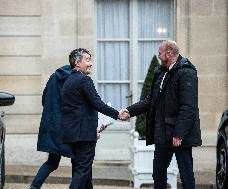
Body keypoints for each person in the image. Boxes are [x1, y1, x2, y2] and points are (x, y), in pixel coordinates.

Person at [126, 40, 202, 189]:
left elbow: (188, 107)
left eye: (160, 53)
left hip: (180, 134)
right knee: (158, 172)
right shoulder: (160, 72)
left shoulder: (187, 72)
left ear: (169, 53)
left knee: (186, 173)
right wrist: (129, 111)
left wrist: (179, 134)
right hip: (163, 133)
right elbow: (150, 100)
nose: (158, 56)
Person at [61, 48, 129, 189]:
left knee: (81, 171)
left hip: (72, 133)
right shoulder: (84, 80)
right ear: (77, 62)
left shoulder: (68, 81)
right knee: (82, 171)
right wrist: (118, 114)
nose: (91, 63)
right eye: (87, 60)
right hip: (84, 135)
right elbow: (98, 104)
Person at [29, 65, 74, 189]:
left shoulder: (54, 76)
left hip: (51, 124)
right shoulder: (74, 79)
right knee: (78, 163)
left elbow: (44, 100)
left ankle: (34, 186)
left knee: (52, 162)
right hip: (67, 127)